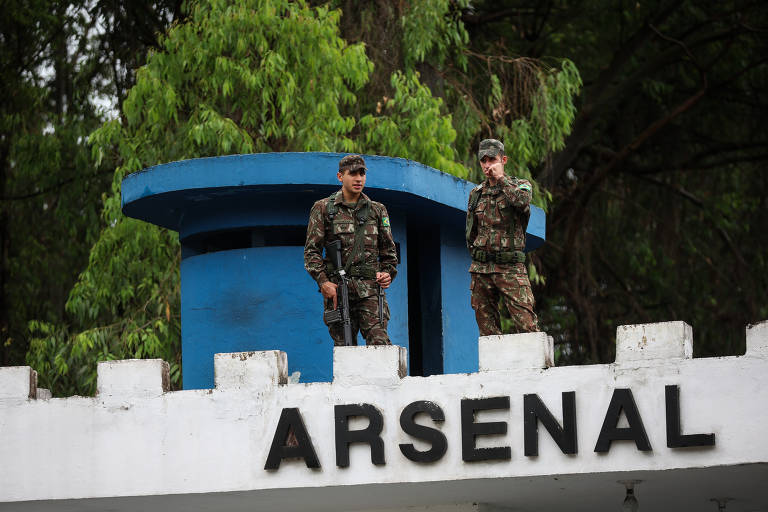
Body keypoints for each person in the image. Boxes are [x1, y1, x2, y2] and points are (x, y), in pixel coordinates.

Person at [304, 154, 398, 346]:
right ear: (340, 176)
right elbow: (311, 252)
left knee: (380, 345)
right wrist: (324, 283)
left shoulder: (377, 210)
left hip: (370, 291)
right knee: (345, 350)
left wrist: (387, 273)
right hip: (338, 291)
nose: (358, 179)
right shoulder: (323, 208)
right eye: (353, 174)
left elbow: (389, 254)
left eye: (362, 173)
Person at [466, 139, 539, 335]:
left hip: (510, 268)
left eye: (492, 160)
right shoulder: (476, 194)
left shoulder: (521, 186)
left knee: (527, 326)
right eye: (484, 161)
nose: (488, 165)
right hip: (482, 270)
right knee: (487, 330)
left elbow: (522, 202)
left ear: (503, 160)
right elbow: (471, 231)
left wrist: (501, 180)